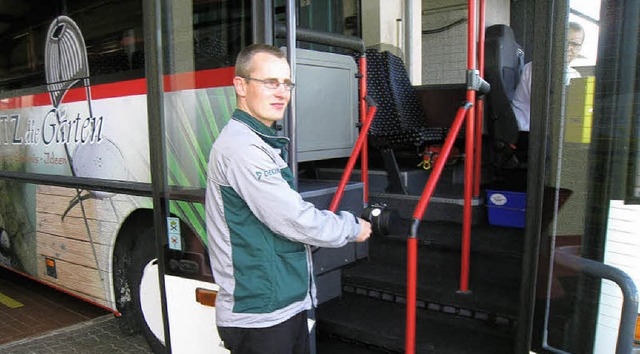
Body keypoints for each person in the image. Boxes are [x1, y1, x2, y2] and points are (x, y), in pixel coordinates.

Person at [205, 43, 372, 354]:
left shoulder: (259, 141)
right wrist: (352, 227)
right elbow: (293, 219)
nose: (281, 92)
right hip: (261, 316)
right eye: (270, 82)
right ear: (240, 86)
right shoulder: (244, 148)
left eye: (286, 83)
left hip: (279, 306)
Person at [511, 21, 585, 132]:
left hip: (552, 133)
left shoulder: (575, 75)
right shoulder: (537, 68)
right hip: (528, 132)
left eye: (575, 44)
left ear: (580, 48)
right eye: (566, 41)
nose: (569, 47)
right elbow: (549, 105)